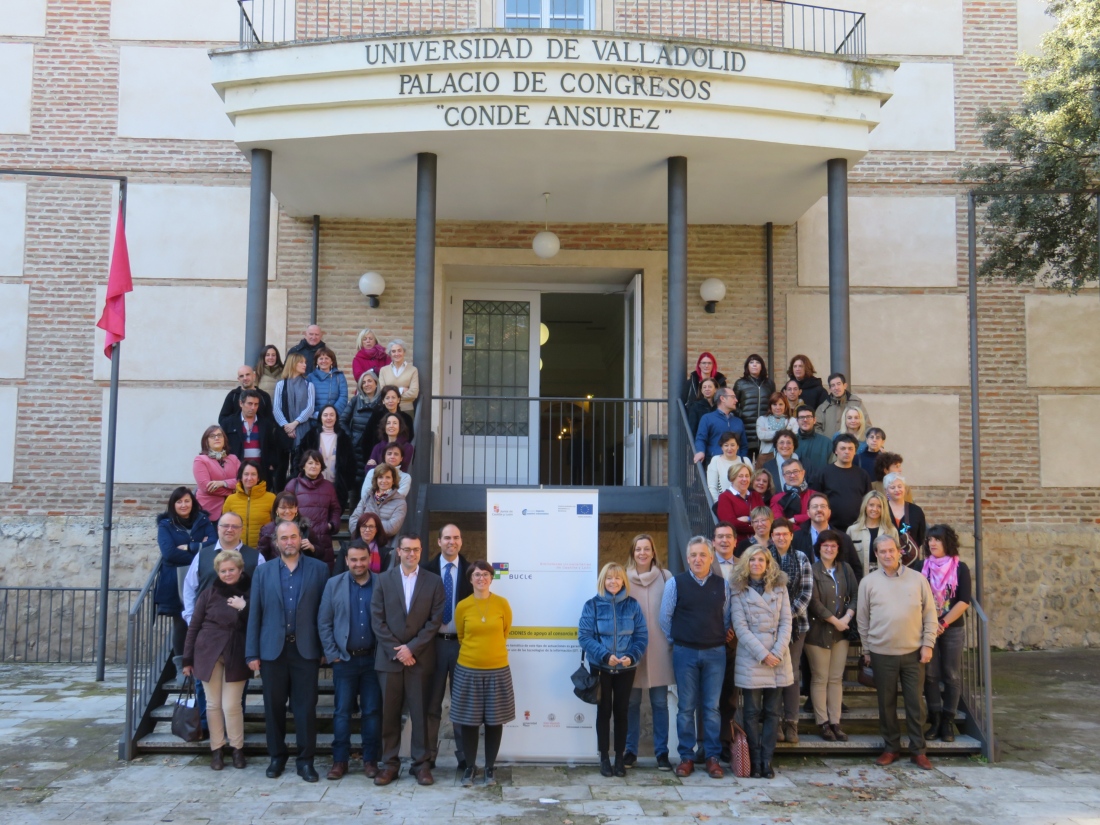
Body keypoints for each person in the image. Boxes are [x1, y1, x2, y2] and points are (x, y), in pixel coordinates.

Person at [245, 519, 330, 782]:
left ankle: (306, 761)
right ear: (276, 542)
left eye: (293, 537)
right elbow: (255, 614)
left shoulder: (319, 569)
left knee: (305, 709)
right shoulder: (263, 572)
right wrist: (252, 652)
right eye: (284, 538)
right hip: (272, 651)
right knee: (273, 707)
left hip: (306, 650)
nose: (289, 542)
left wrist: (326, 647)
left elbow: (325, 613)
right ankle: (277, 758)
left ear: (300, 538)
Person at [857, 534, 939, 770]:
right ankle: (891, 747)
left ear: (899, 551)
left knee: (916, 704)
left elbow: (930, 614)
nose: (887, 555)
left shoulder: (918, 579)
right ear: (876, 554)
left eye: (891, 550)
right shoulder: (868, 583)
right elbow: (863, 619)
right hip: (882, 653)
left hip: (913, 652)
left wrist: (928, 644)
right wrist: (867, 649)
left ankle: (918, 750)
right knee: (886, 703)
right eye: (882, 551)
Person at [370, 534, 446, 786]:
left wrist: (411, 649)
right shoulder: (382, 580)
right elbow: (377, 620)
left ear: (421, 551)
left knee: (421, 713)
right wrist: (397, 650)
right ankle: (390, 764)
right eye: (406, 550)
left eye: (415, 549)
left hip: (420, 659)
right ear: (398, 552)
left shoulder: (434, 582)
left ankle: (421, 764)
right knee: (389, 714)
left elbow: (434, 621)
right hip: (389, 660)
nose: (411, 554)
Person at [659, 537, 730, 779]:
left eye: (702, 555)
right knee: (686, 707)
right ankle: (687, 757)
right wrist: (680, 639)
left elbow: (727, 617)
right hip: (685, 652)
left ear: (711, 557)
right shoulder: (675, 584)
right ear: (687, 558)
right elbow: (665, 618)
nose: (697, 559)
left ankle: (712, 757)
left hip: (715, 653)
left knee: (711, 708)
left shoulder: (723, 585)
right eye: (693, 555)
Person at [318, 542, 383, 780]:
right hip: (344, 660)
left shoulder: (381, 584)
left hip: (373, 661)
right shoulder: (333, 585)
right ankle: (340, 761)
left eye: (362, 559)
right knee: (342, 712)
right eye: (353, 559)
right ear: (346, 560)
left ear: (369, 559)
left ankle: (370, 760)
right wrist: (332, 652)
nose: (358, 564)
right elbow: (324, 622)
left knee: (372, 712)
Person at [182, 549, 251, 771]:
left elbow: (259, 623)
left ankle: (237, 748)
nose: (228, 574)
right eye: (223, 571)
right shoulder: (208, 594)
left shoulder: (250, 593)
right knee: (212, 705)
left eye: (232, 570)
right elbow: (194, 626)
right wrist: (187, 659)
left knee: (231, 705)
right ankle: (217, 749)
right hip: (207, 652)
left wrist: (245, 608)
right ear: (218, 572)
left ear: (240, 570)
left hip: (236, 652)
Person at [579, 562, 648, 778]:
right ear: (602, 580)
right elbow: (584, 636)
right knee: (604, 711)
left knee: (622, 711)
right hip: (601, 667)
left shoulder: (633, 605)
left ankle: (620, 757)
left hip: (626, 668)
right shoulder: (592, 605)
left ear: (623, 581)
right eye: (609, 578)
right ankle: (604, 758)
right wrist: (605, 655)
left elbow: (641, 636)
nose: (613, 582)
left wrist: (632, 656)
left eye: (617, 578)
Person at [729, 546, 792, 780]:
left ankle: (767, 761)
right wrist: (763, 654)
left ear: (768, 563)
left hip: (778, 657)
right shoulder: (738, 588)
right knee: (752, 712)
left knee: (773, 712)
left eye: (761, 560)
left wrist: (776, 651)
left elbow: (787, 621)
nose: (756, 563)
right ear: (746, 562)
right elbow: (740, 627)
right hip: (752, 658)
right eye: (752, 559)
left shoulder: (779, 586)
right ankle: (753, 760)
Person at [451, 559, 515, 787]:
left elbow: (505, 632)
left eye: (486, 574)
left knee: (494, 721)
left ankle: (489, 767)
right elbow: (461, 636)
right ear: (470, 579)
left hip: (497, 670)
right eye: (477, 575)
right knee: (469, 722)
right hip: (468, 670)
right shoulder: (463, 606)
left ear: (492, 578)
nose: (481, 578)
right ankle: (470, 767)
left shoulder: (502, 604)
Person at [422, 524, 472, 772]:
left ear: (461, 541)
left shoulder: (470, 572)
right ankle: (429, 755)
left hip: (462, 647)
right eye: (447, 538)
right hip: (434, 646)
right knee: (432, 703)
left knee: (461, 704)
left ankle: (464, 756)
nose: (452, 542)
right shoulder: (426, 570)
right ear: (439, 541)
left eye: (456, 537)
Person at [156, 487, 217, 683]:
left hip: (202, 578)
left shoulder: (203, 520)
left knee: (204, 620)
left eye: (187, 501)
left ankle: (202, 665)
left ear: (193, 502)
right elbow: (169, 553)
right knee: (181, 623)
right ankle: (183, 669)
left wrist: (191, 547)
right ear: (173, 505)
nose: (184, 505)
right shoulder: (166, 525)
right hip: (175, 579)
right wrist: (201, 551)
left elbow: (215, 542)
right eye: (179, 502)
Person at [624, 534, 673, 771]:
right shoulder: (623, 579)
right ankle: (630, 751)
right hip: (631, 650)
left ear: (654, 552)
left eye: (647, 549)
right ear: (632, 553)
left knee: (660, 703)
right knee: (631, 702)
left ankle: (661, 753)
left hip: (660, 648)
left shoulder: (666, 577)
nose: (642, 553)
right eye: (638, 549)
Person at [805, 530, 858, 742]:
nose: (829, 549)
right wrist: (834, 620)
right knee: (820, 678)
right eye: (825, 545)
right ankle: (823, 722)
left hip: (841, 634)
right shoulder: (813, 569)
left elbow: (855, 594)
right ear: (819, 548)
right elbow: (813, 601)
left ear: (838, 549)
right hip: (817, 633)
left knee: (836, 678)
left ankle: (835, 722)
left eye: (833, 546)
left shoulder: (845, 569)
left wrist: (848, 616)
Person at [921, 524, 971, 743]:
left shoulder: (960, 568)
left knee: (950, 674)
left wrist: (942, 622)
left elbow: (963, 601)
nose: (932, 543)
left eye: (937, 540)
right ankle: (936, 720)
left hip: (952, 627)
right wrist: (932, 623)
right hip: (927, 627)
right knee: (930, 675)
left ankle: (949, 721)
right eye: (930, 540)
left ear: (947, 542)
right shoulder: (921, 567)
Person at [767, 518, 812, 745]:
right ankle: (774, 725)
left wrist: (785, 616)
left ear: (791, 536)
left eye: (785, 534)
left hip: (796, 626)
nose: (781, 538)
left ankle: (791, 724)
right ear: (772, 536)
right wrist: (774, 618)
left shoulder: (801, 558)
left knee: (791, 675)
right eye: (777, 534)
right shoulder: (763, 557)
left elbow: (805, 594)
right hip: (768, 628)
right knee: (774, 675)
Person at [182, 511, 265, 626]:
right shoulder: (202, 555)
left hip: (242, 628)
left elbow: (263, 592)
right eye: (225, 526)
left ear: (241, 530)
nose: (230, 529)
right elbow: (190, 587)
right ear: (218, 528)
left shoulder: (257, 558)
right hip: (206, 626)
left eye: (235, 526)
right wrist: (190, 617)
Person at [283, 450, 342, 573]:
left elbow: (336, 509)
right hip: (299, 540)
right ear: (303, 465)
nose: (313, 466)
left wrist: (331, 525)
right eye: (310, 463)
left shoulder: (328, 486)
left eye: (317, 463)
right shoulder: (293, 485)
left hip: (323, 540)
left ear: (321, 466)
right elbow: (283, 509)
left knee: (323, 579)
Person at [791, 493, 865, 578]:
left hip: (839, 589)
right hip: (808, 588)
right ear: (808, 512)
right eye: (815, 506)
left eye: (823, 506)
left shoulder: (843, 538)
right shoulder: (796, 538)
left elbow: (856, 569)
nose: (819, 509)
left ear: (829, 512)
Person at [299, 405, 356, 510]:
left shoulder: (344, 438)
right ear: (320, 417)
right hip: (313, 485)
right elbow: (299, 457)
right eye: (325, 415)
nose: (328, 418)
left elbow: (351, 463)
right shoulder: (311, 435)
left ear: (336, 417)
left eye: (331, 415)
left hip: (336, 486)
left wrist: (346, 484)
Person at [221, 390, 278, 488]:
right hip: (237, 471)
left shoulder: (266, 424)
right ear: (241, 403)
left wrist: (271, 464)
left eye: (256, 404)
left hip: (261, 471)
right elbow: (223, 446)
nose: (253, 407)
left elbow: (272, 446)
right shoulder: (229, 423)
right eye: (250, 403)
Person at [273, 353, 316, 474]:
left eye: (305, 362)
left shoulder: (309, 385)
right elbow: (276, 408)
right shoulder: (281, 385)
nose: (304, 365)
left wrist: (295, 424)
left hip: (303, 430)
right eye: (301, 362)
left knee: (299, 465)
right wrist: (286, 426)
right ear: (293, 364)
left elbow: (310, 408)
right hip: (283, 431)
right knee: (281, 467)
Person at [820, 435, 872, 532]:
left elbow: (868, 500)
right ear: (835, 451)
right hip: (830, 528)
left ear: (855, 451)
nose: (847, 451)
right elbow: (817, 499)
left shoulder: (862, 475)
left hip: (858, 528)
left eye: (850, 449)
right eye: (843, 448)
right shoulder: (824, 473)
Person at [342, 370, 383, 493]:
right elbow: (342, 421)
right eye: (363, 382)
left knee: (373, 484)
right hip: (356, 449)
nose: (366, 384)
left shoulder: (382, 402)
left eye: (369, 381)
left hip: (374, 449)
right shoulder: (355, 401)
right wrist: (351, 438)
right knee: (356, 484)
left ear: (376, 383)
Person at [223, 460, 275, 549]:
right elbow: (224, 525)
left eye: (253, 474)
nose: (249, 478)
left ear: (258, 477)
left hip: (263, 551)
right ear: (241, 476)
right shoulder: (230, 499)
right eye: (246, 474)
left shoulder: (271, 498)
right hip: (236, 550)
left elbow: (276, 525)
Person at [193, 425, 241, 522]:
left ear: (224, 440)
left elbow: (243, 481)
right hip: (209, 510)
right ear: (206, 441)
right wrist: (233, 490)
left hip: (233, 509)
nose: (217, 438)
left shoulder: (233, 459)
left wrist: (223, 483)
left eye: (220, 435)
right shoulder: (200, 460)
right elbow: (206, 487)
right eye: (212, 436)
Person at [846, 491, 899, 575]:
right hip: (859, 578)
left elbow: (897, 557)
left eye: (879, 506)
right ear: (865, 506)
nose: (875, 509)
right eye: (871, 505)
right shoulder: (852, 530)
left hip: (886, 578)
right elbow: (847, 559)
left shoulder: (891, 531)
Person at [349, 463, 407, 539]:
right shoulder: (367, 497)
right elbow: (353, 520)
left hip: (385, 545)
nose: (384, 481)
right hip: (362, 543)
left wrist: (366, 526)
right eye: (380, 477)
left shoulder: (400, 502)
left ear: (393, 480)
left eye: (388, 477)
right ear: (376, 480)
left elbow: (392, 528)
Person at [734, 354, 774, 455]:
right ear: (747, 366)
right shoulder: (740, 383)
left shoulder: (769, 384)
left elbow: (774, 403)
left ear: (762, 366)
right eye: (751, 362)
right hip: (746, 429)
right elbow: (732, 403)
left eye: (757, 362)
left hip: (765, 430)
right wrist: (742, 414)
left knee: (763, 466)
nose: (754, 365)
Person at [693, 388, 747, 464]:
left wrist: (741, 459)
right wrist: (700, 451)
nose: (736, 400)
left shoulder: (738, 421)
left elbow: (743, 445)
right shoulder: (707, 418)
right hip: (714, 462)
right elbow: (701, 438)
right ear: (722, 398)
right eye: (733, 397)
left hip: (736, 465)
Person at [256, 492, 314, 562]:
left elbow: (322, 552)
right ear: (276, 510)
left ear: (296, 509)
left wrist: (312, 548)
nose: (287, 511)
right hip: (275, 571)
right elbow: (261, 558)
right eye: (283, 508)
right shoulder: (267, 530)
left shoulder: (305, 527)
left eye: (291, 507)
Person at [363, 385, 414, 461]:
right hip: (377, 459)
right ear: (383, 401)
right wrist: (371, 460)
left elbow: (409, 438)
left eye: (393, 397)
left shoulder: (406, 419)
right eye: (387, 398)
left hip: (398, 460)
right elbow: (366, 439)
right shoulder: (376, 416)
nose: (390, 401)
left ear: (398, 399)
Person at [884, 472, 927, 557]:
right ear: (886, 491)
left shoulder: (916, 511)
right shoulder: (882, 509)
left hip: (910, 558)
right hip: (887, 557)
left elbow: (921, 536)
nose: (897, 490)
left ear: (905, 488)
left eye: (900, 486)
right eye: (892, 487)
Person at [815, 372, 870, 438]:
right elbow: (816, 428)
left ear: (845, 386)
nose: (836, 388)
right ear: (830, 389)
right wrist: (826, 443)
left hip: (854, 446)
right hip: (830, 446)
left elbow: (866, 425)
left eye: (839, 384)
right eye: (833, 385)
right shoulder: (823, 408)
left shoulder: (856, 403)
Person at [770, 460, 818, 527]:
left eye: (795, 471)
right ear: (783, 476)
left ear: (803, 473)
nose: (792, 475)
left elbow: (819, 516)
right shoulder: (777, 499)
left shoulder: (815, 496)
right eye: (788, 473)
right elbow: (779, 523)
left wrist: (795, 519)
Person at [706, 431, 752, 501]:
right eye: (726, 445)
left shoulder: (745, 461)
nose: (729, 448)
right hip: (724, 503)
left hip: (744, 502)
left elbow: (751, 483)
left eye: (732, 445)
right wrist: (718, 504)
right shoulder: (716, 460)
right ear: (722, 447)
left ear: (738, 446)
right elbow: (712, 487)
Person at [306, 347, 348, 422]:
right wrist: (318, 415)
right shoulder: (310, 377)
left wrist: (332, 414)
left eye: (326, 358)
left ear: (332, 361)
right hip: (315, 420)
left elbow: (343, 397)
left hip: (334, 420)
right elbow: (307, 399)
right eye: (321, 358)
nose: (324, 361)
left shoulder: (339, 376)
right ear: (317, 362)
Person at [378, 339, 419, 414]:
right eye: (393, 351)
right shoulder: (383, 370)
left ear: (404, 352)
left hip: (407, 410)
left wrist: (390, 397)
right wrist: (401, 390)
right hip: (388, 410)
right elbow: (382, 392)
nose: (397, 354)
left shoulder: (413, 370)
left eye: (399, 350)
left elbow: (414, 393)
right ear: (390, 354)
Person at [793, 407, 831, 486]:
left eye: (809, 417)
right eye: (801, 417)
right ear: (797, 421)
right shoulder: (790, 442)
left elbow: (832, 468)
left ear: (814, 420)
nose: (805, 420)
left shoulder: (826, 443)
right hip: (795, 487)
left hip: (819, 487)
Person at [715, 463, 754, 541]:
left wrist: (748, 519)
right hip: (738, 544)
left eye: (747, 476)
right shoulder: (724, 497)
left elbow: (766, 519)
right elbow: (731, 524)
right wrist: (757, 527)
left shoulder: (755, 495)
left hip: (759, 544)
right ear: (732, 478)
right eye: (740, 476)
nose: (745, 479)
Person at [756, 393, 797, 460]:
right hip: (766, 456)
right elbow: (761, 435)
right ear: (770, 406)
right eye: (774, 404)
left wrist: (769, 433)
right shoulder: (762, 419)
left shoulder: (792, 420)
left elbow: (794, 437)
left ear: (785, 406)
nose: (778, 407)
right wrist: (785, 433)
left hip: (787, 456)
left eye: (781, 404)